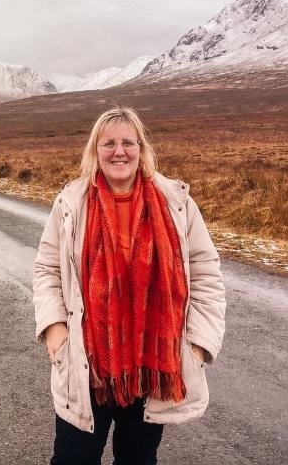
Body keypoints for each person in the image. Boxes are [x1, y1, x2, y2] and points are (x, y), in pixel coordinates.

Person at [32, 106, 226, 465]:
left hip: (151, 365)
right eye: (108, 143)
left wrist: (198, 344)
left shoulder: (176, 203)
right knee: (73, 458)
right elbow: (46, 270)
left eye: (127, 142)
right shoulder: (71, 203)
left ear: (141, 148)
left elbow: (206, 274)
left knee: (138, 459)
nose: (118, 151)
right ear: (95, 151)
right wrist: (56, 330)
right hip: (87, 362)